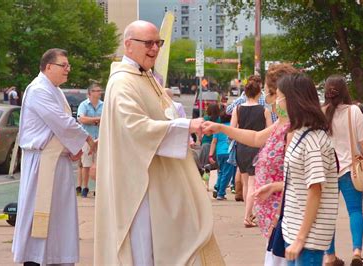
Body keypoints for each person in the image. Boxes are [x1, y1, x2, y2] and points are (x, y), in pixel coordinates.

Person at [94, 20, 223, 265]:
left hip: (155, 173)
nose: (154, 49)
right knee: (143, 246)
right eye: (148, 43)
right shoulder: (123, 82)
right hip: (137, 182)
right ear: (128, 45)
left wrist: (177, 118)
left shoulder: (145, 76)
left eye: (158, 43)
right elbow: (135, 128)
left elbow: (163, 111)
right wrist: (186, 126)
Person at [203, 63, 298, 266]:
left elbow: (299, 179)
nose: (266, 95)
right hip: (276, 221)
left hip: (285, 219)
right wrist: (221, 127)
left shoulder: (293, 127)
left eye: (270, 91)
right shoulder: (281, 123)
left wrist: (279, 210)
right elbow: (255, 138)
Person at [12, 48, 95, 266]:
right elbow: (59, 121)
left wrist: (72, 147)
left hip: (58, 160)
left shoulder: (55, 90)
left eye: (68, 65)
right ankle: (35, 259)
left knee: (60, 217)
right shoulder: (39, 89)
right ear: (49, 67)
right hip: (42, 163)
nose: (68, 69)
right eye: (64, 65)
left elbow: (62, 124)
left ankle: (56, 258)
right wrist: (85, 139)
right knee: (39, 214)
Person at [278, 73, 338, 266]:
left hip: (308, 238)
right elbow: (302, 180)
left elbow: (315, 190)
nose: (278, 102)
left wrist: (300, 239)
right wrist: (274, 187)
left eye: (280, 96)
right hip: (295, 230)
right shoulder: (302, 133)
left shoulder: (313, 140)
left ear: (292, 100)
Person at [322, 75, 363, 266]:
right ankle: (357, 252)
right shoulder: (354, 111)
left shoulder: (320, 112)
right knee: (355, 211)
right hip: (350, 170)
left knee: (327, 214)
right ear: (345, 91)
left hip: (326, 172)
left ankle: (330, 256)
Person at [231, 75, 273, 228]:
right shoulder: (264, 110)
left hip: (241, 147)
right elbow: (270, 132)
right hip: (257, 148)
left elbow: (232, 129)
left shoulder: (237, 109)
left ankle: (248, 213)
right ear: (259, 93)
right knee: (253, 183)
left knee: (246, 184)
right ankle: (247, 217)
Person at [76, 83, 103, 197]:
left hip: (101, 138)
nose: (99, 92)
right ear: (90, 93)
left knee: (100, 165)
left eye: (100, 90)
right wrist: (97, 119)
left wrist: (91, 120)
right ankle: (84, 188)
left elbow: (107, 119)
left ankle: (98, 189)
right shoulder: (84, 105)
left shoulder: (104, 105)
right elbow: (82, 119)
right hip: (87, 139)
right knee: (86, 164)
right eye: (96, 90)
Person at [208, 110, 236, 200]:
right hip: (229, 152)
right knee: (227, 173)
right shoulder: (232, 128)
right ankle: (221, 193)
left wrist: (210, 154)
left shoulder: (218, 128)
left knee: (221, 172)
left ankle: (217, 186)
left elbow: (214, 142)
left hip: (219, 153)